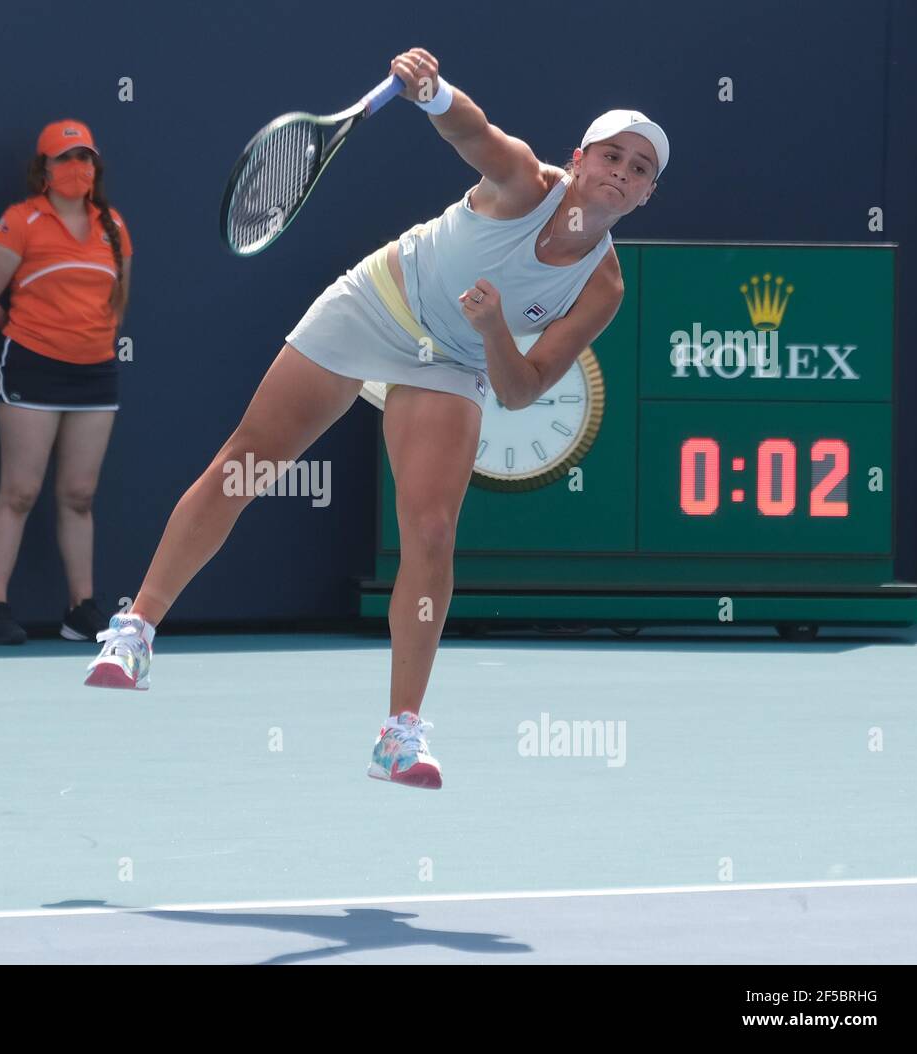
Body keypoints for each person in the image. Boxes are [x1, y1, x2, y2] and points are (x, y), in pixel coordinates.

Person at [84, 48, 668, 790]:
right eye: (612, 155)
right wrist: (433, 93)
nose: (622, 171)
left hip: (451, 358)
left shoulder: (603, 286)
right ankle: (137, 629)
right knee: (249, 462)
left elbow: (521, 392)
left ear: (647, 194)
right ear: (579, 160)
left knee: (431, 533)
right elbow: (472, 132)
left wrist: (492, 330)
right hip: (376, 305)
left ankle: (399, 734)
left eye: (640, 168)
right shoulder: (525, 181)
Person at [0, 120, 133, 644]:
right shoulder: (21, 222)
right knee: (19, 491)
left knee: (80, 494)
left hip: (96, 373)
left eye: (85, 158)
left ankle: (81, 610)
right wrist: (31, 333)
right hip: (31, 369)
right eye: (65, 159)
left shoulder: (112, 226)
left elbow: (117, 304)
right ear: (43, 169)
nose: (77, 169)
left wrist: (87, 338)